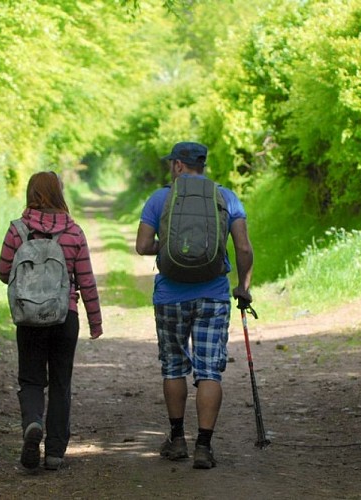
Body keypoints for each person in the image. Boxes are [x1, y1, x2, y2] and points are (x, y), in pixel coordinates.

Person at [135, 142, 253, 469]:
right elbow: (243, 248)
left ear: (177, 166)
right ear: (202, 165)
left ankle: (176, 439)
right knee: (209, 370)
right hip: (213, 295)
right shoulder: (225, 197)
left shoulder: (161, 198)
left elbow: (143, 245)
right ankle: (204, 446)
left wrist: (170, 245)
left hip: (170, 295)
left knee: (173, 366)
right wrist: (243, 288)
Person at [0, 171, 103, 471]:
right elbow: (87, 281)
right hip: (64, 316)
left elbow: (4, 271)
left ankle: (33, 423)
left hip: (29, 317)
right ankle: (55, 452)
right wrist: (95, 321)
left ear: (31, 193)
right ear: (60, 193)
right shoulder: (74, 232)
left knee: (31, 379)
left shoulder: (17, 231)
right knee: (61, 383)